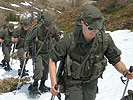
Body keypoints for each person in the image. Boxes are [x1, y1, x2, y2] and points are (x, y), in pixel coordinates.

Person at [49, 5, 133, 100]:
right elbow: (53, 59)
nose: (94, 31)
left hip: (91, 84)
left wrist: (125, 71)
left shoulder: (104, 40)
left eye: (97, 28)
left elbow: (116, 60)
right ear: (82, 23)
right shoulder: (70, 40)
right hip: (73, 84)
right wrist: (53, 83)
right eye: (91, 28)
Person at [24, 12, 62, 95]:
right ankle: (35, 85)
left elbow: (57, 38)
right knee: (39, 69)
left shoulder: (53, 28)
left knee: (46, 71)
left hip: (48, 53)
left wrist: (61, 43)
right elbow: (28, 40)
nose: (48, 26)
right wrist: (26, 50)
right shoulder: (37, 29)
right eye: (46, 24)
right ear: (43, 22)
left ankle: (42, 85)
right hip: (39, 53)